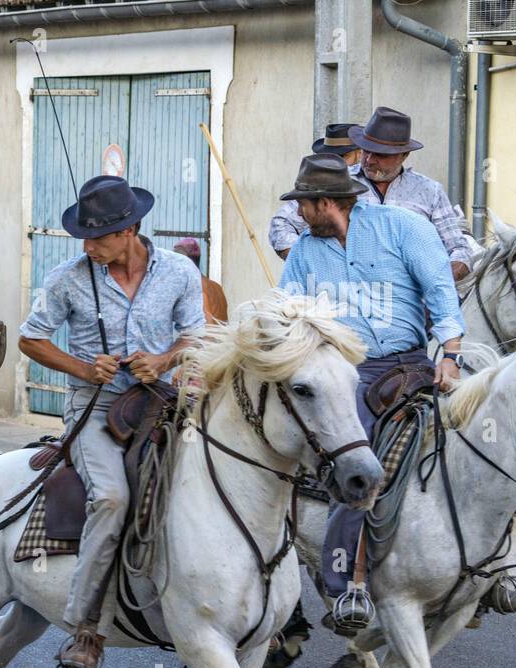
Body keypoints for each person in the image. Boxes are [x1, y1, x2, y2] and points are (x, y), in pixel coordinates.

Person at [275, 153, 476, 625]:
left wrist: (451, 354)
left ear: (325, 203)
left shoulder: (402, 228)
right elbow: (286, 309)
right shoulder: (306, 250)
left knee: (482, 432)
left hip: (408, 363)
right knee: (357, 463)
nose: (298, 214)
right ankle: (345, 585)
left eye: (303, 204)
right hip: (344, 373)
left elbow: (440, 289)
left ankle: (487, 564)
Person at [18, 175, 205, 668]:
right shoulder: (66, 278)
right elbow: (30, 339)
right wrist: (83, 368)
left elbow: (196, 337)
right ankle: (85, 626)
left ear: (131, 230)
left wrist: (164, 360)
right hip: (94, 408)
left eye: (98, 236)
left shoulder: (180, 272)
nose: (89, 245)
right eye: (85, 235)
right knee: (112, 498)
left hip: (160, 404)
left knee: (217, 482)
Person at [269, 109, 473, 280]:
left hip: (412, 308)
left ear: (404, 155)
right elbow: (281, 224)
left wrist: (434, 280)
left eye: (381, 155)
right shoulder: (337, 182)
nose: (369, 160)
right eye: (366, 151)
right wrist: (315, 261)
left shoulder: (429, 191)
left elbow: (460, 249)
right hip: (343, 302)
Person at [172, 237, 227, 324]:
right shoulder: (217, 287)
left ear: (185, 260)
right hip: (224, 337)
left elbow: (208, 325)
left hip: (208, 336)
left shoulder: (196, 288)